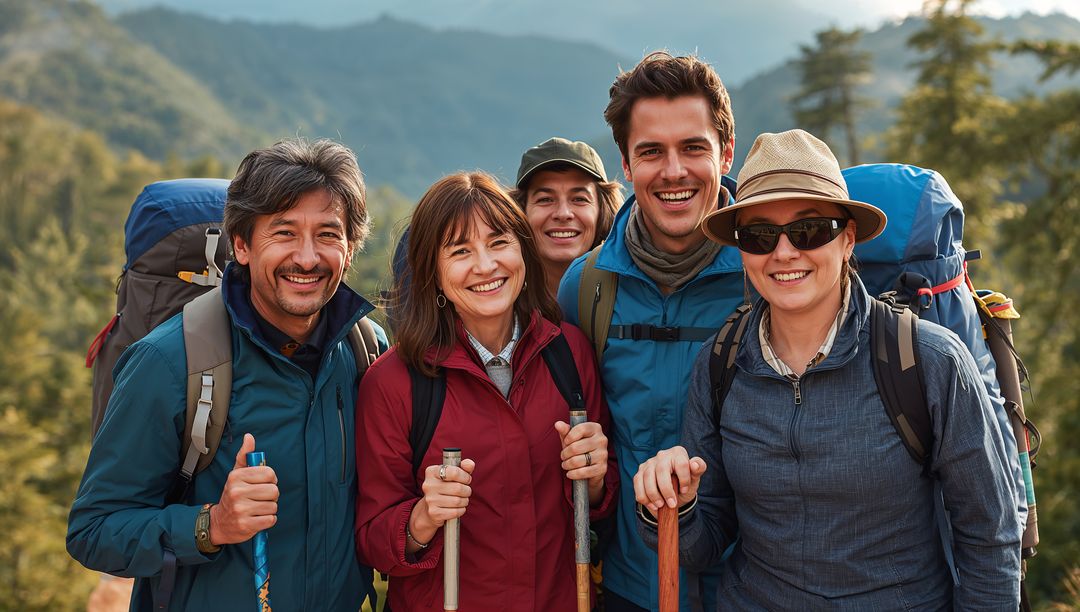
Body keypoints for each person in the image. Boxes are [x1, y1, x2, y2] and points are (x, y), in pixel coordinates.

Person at [633, 129, 1023, 609]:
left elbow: (990, 541)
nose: (783, 252)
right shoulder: (721, 362)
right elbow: (701, 545)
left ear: (848, 238)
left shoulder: (928, 361)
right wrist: (674, 507)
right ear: (741, 250)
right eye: (758, 235)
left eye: (809, 229)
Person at [67, 139, 386, 610]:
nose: (306, 257)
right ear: (241, 245)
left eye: (327, 234)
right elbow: (94, 532)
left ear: (350, 248)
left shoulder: (365, 351)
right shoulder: (171, 361)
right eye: (283, 233)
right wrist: (211, 525)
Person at [355, 171, 618, 611]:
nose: (485, 265)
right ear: (434, 274)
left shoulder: (570, 354)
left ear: (523, 250)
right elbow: (372, 541)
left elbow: (598, 503)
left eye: (499, 243)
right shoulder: (394, 383)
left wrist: (593, 479)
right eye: (461, 251)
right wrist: (423, 517)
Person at [557, 51, 745, 611]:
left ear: (725, 153)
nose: (673, 171)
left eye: (693, 148)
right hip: (631, 586)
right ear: (625, 163)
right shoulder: (588, 287)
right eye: (651, 152)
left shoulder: (768, 275)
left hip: (754, 585)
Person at [510, 137, 623, 297]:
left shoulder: (633, 296)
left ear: (603, 211)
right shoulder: (501, 305)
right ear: (521, 212)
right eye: (545, 199)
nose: (563, 214)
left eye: (579, 199)